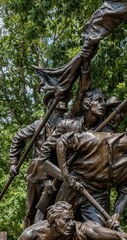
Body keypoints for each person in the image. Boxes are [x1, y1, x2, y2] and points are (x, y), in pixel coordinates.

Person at [54, 116, 127, 228]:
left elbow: (124, 192)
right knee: (58, 227)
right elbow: (62, 141)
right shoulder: (97, 139)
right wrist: (66, 175)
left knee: (98, 233)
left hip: (98, 196)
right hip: (73, 187)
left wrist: (116, 216)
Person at [33, 88, 107, 220]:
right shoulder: (67, 125)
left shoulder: (106, 132)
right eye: (98, 100)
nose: (103, 104)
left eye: (104, 101)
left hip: (92, 186)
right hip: (66, 180)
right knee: (44, 217)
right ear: (86, 104)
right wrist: (46, 178)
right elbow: (45, 151)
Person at [9, 99, 68, 228]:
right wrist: (13, 163)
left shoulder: (66, 126)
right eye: (58, 111)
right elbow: (18, 137)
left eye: (62, 112)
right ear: (50, 107)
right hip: (36, 171)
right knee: (30, 209)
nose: (61, 115)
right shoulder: (38, 125)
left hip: (56, 171)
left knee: (50, 208)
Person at [18, 201, 127, 240]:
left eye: (71, 219)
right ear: (54, 222)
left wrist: (119, 235)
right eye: (66, 220)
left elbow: (93, 230)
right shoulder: (30, 235)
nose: (71, 224)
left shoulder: (73, 228)